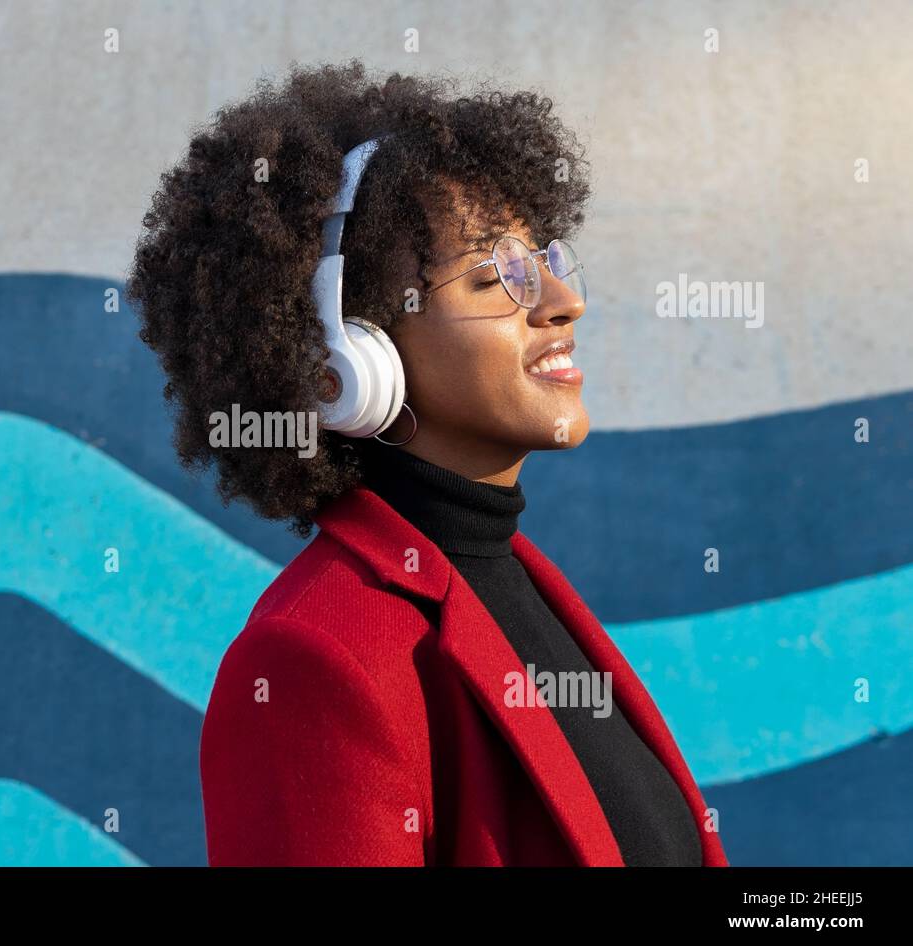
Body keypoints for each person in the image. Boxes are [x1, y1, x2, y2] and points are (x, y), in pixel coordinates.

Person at [126, 60, 728, 866]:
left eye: (542, 258)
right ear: (346, 358)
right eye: (493, 277)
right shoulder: (316, 658)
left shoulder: (520, 586)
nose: (560, 299)